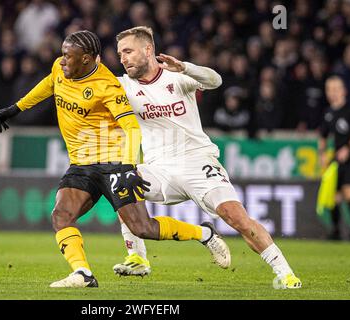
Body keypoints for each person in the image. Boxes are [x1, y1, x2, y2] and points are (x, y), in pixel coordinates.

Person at [0, 30, 230, 288]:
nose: (62, 61)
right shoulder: (61, 68)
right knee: (61, 215)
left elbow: (132, 128)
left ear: (86, 59)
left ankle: (203, 233)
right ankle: (83, 273)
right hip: (81, 164)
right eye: (62, 54)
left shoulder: (108, 86)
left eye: (68, 57)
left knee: (143, 228)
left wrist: (127, 168)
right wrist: (16, 108)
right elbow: (48, 84)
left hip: (113, 163)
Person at [113, 26, 302, 289]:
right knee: (119, 183)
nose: (123, 58)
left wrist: (186, 67)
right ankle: (138, 257)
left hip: (197, 161)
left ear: (148, 50)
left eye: (128, 51)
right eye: (120, 53)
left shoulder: (177, 76)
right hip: (160, 169)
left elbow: (215, 81)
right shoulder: (122, 85)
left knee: (236, 217)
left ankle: (285, 273)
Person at [319, 75, 350, 240]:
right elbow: (323, 135)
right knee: (334, 196)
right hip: (336, 160)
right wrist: (322, 154)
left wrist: (348, 148)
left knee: (349, 193)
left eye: (335, 89)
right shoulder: (328, 113)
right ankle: (335, 232)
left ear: (344, 91)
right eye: (329, 90)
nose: (332, 93)